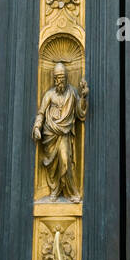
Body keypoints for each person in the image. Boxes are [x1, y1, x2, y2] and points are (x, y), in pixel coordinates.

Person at [32, 63, 88, 202]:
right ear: (54, 79)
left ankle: (72, 192)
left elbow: (80, 113)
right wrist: (37, 127)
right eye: (58, 78)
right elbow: (41, 113)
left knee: (65, 161)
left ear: (66, 78)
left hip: (64, 134)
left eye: (62, 78)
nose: (60, 81)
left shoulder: (72, 93)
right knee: (54, 166)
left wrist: (83, 97)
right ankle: (56, 189)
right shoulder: (49, 95)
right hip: (50, 134)